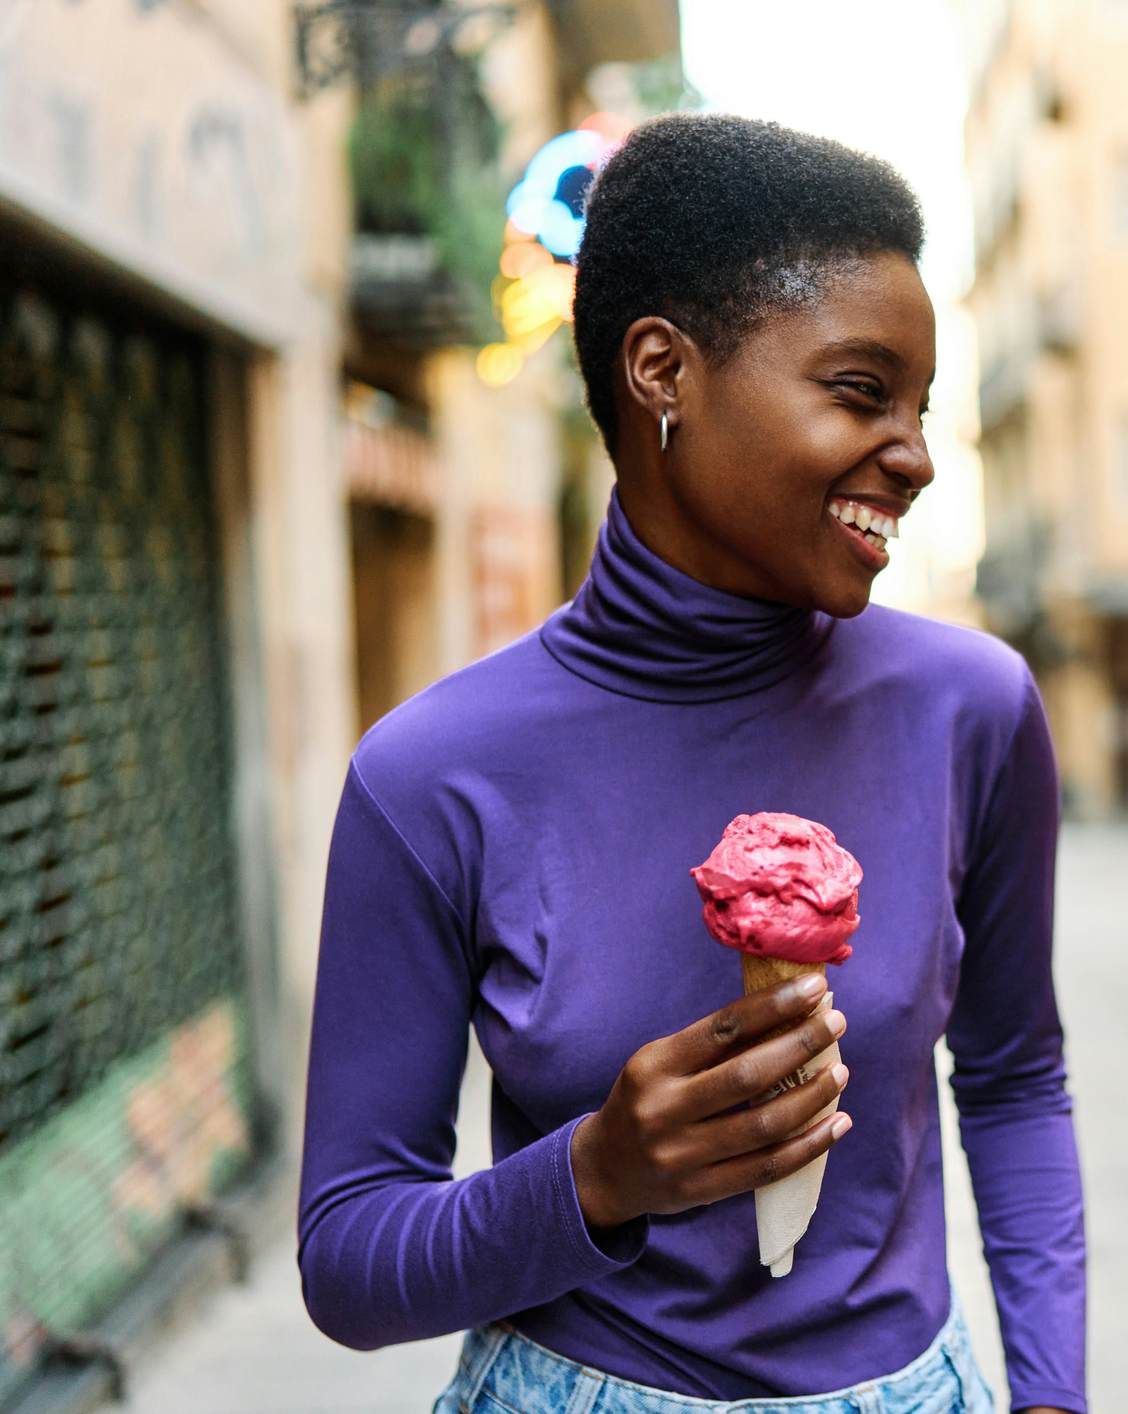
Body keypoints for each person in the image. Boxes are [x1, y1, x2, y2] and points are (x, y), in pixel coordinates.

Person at [298, 115, 1086, 1414]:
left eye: (924, 405)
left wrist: (1053, 1394)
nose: (919, 454)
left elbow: (1014, 1082)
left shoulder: (974, 708)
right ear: (663, 369)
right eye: (859, 389)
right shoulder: (431, 775)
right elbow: (347, 1257)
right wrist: (596, 1174)